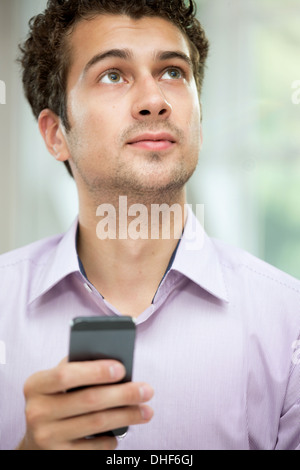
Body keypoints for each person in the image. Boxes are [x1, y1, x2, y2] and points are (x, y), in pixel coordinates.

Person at [0, 0, 299, 451]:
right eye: (113, 74)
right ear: (55, 133)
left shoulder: (289, 321)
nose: (154, 101)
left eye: (173, 72)